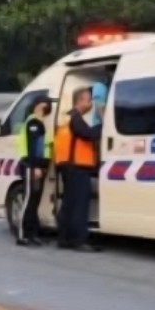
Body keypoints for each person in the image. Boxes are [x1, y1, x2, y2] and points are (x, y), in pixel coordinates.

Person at [53, 87, 103, 252]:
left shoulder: (67, 117)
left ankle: (64, 238)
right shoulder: (75, 119)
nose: (90, 103)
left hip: (68, 166)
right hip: (76, 167)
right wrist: (104, 124)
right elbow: (88, 134)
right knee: (79, 205)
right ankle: (78, 240)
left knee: (69, 203)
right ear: (80, 101)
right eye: (89, 100)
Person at [16, 96, 53, 247]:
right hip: (32, 166)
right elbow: (34, 148)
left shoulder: (39, 123)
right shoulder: (33, 122)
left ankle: (32, 234)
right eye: (48, 104)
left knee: (34, 201)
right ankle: (23, 235)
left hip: (38, 167)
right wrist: (35, 167)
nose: (49, 107)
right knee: (29, 201)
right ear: (40, 105)